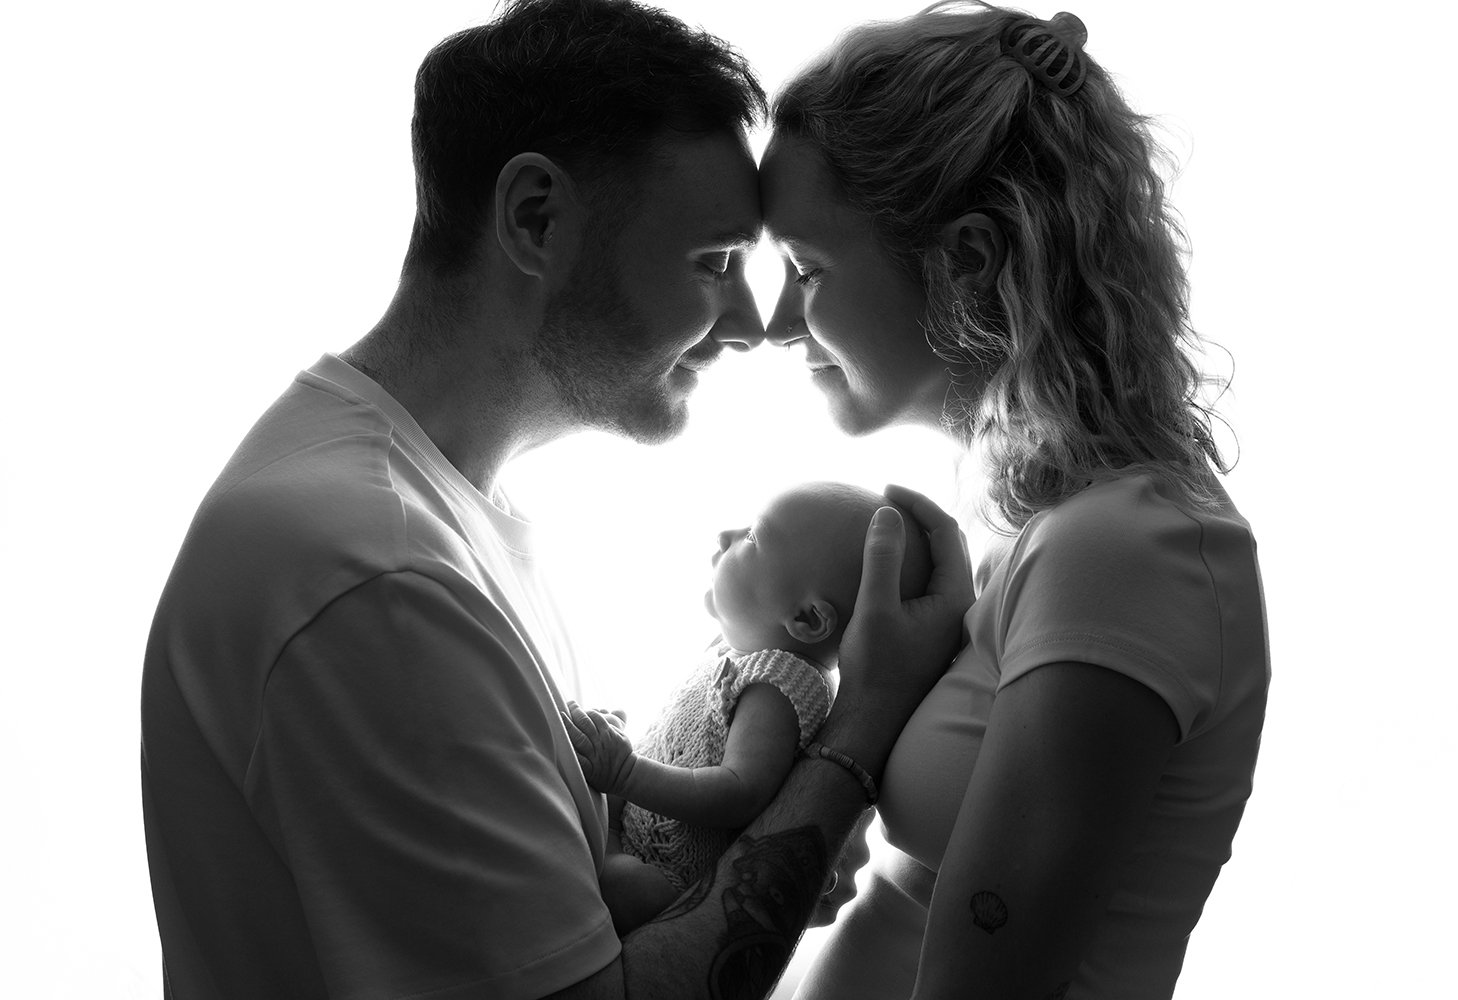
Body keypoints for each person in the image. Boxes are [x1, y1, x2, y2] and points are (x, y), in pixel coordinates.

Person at [138, 2, 973, 998]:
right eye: (713, 262)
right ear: (536, 217)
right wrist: (861, 730)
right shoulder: (374, 570)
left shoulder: (430, 514)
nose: (752, 323)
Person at [756, 5, 1271, 998]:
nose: (779, 321)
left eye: (807, 268)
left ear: (970, 261)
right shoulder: (1041, 532)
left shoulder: (1127, 548)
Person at [565, 482, 933, 934]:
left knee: (624, 886)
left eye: (753, 537)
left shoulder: (781, 683)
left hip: (674, 878)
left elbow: (736, 793)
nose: (726, 535)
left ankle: (602, 846)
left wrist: (625, 773)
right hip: (638, 830)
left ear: (807, 620)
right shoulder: (737, 653)